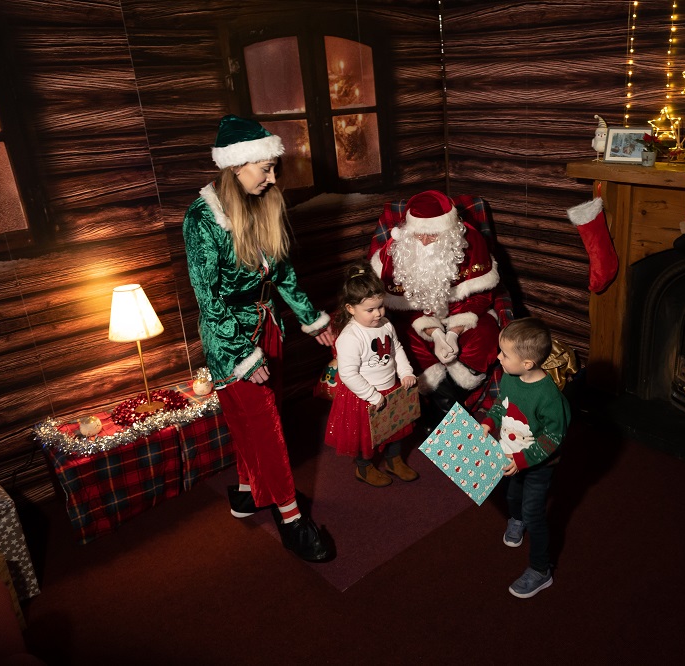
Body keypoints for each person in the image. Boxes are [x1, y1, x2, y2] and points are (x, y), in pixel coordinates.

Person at [182, 114, 335, 562]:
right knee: (266, 429)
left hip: (268, 327)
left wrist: (313, 318)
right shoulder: (202, 220)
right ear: (235, 166)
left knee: (260, 419)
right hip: (229, 340)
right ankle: (290, 519)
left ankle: (249, 490)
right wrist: (241, 353)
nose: (273, 178)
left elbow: (282, 273)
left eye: (273, 168)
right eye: (264, 169)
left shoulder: (262, 203)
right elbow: (209, 301)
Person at [369, 190, 501, 419]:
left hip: (463, 313)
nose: (425, 241)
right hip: (416, 320)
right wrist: (436, 334)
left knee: (486, 335)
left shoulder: (471, 243)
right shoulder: (396, 251)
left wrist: (453, 333)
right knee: (402, 341)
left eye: (433, 236)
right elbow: (401, 308)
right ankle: (449, 422)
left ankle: (435, 415)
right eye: (419, 235)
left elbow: (482, 297)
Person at [480, 317, 571, 599]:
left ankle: (541, 569)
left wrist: (521, 461)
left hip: (537, 466)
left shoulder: (549, 397)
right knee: (511, 497)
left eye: (505, 354)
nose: (498, 357)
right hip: (510, 457)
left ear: (528, 363)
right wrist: (488, 423)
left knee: (534, 513)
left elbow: (551, 440)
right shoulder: (510, 376)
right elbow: (501, 406)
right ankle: (515, 519)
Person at [324, 261, 420, 487]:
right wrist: (373, 395)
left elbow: (396, 349)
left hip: (391, 387)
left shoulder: (385, 324)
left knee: (395, 428)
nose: (378, 313)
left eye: (380, 306)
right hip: (364, 396)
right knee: (365, 437)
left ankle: (394, 460)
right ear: (350, 308)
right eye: (370, 310)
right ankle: (364, 468)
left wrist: (405, 371)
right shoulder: (350, 337)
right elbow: (348, 374)